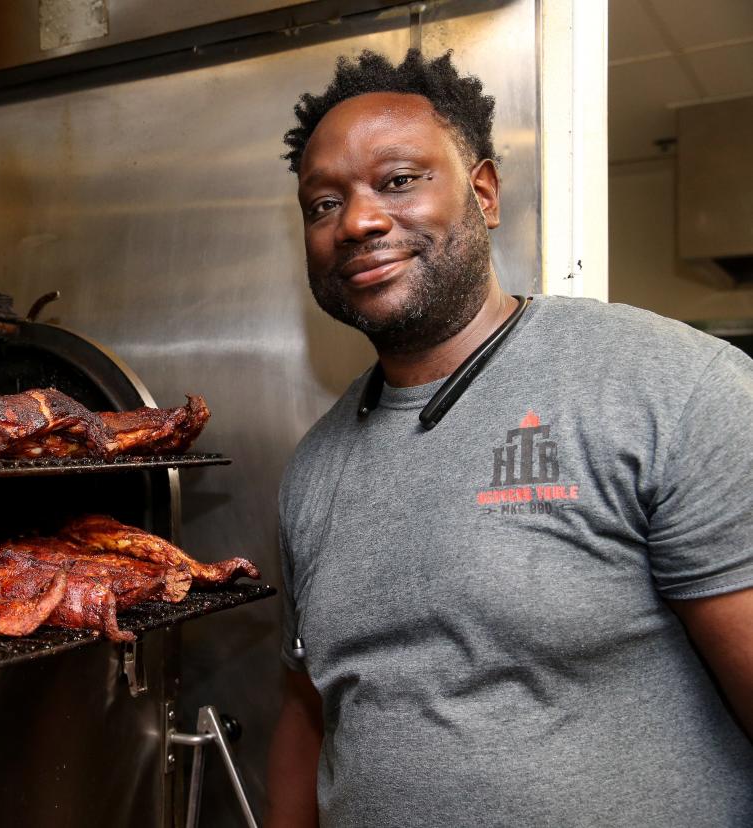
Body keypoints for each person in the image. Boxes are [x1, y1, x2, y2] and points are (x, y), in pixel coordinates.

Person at [267, 49, 753, 827]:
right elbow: (309, 709)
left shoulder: (668, 386)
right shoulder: (313, 468)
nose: (356, 221)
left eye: (398, 181)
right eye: (322, 203)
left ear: (484, 193)